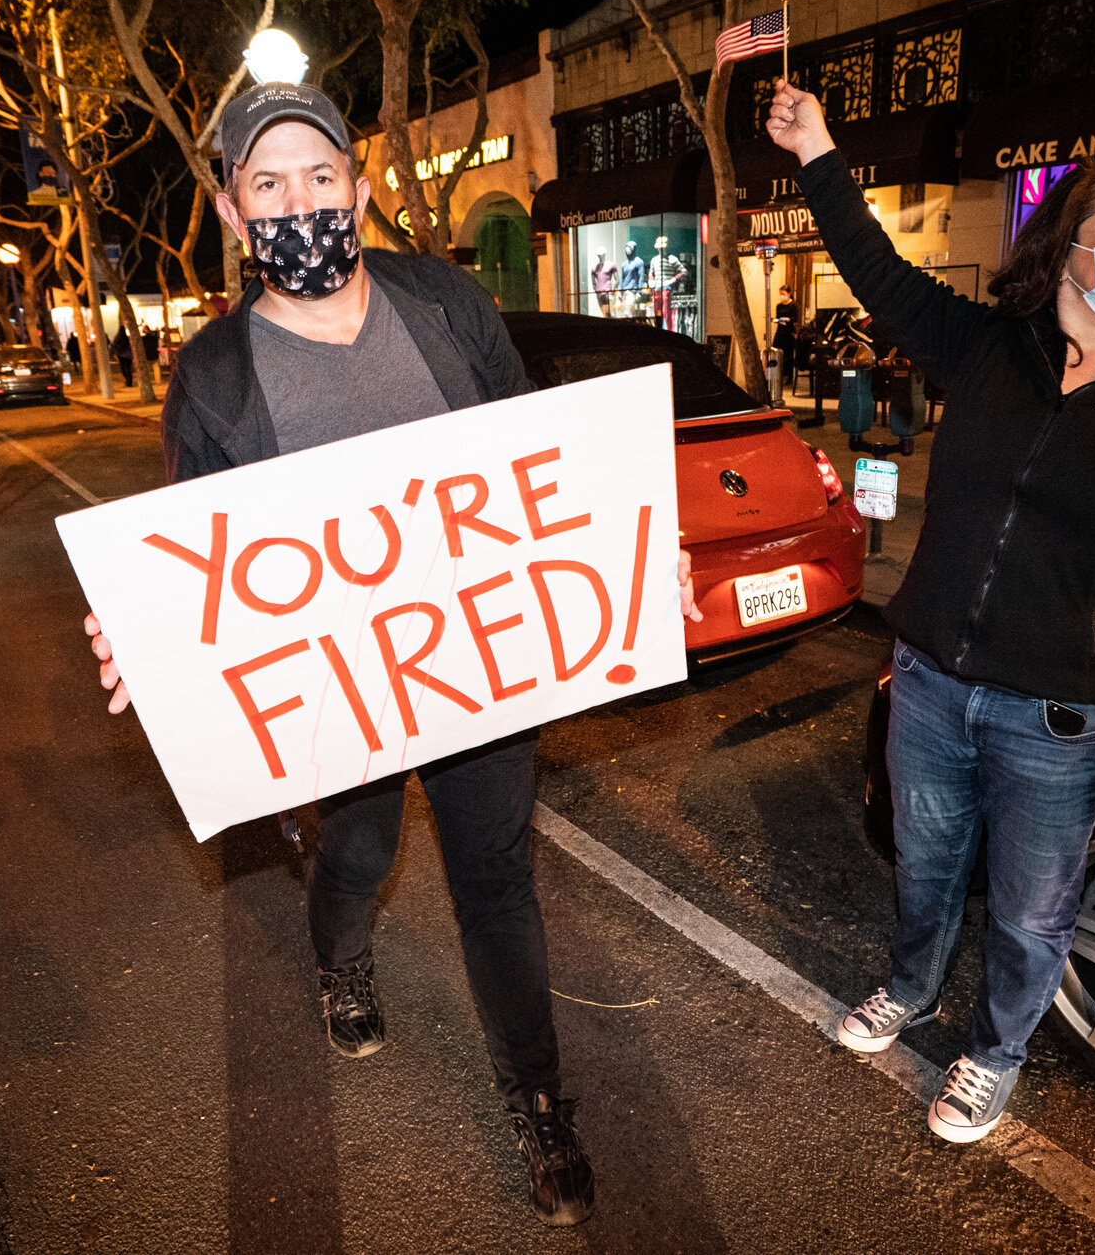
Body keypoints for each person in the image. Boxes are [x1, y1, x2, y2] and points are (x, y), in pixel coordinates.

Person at [79, 81, 700, 1228]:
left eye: (319, 175)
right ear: (232, 209)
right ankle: (342, 961)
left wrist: (627, 553)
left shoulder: (445, 302)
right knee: (354, 860)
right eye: (268, 184)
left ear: (358, 191)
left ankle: (538, 1098)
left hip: (479, 675)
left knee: (498, 887)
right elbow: (198, 546)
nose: (298, 200)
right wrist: (147, 632)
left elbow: (541, 461)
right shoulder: (214, 374)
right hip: (339, 700)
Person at [764, 81, 1095, 1144]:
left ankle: (993, 1053)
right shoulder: (991, 346)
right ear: (1070, 244)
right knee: (924, 866)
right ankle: (910, 987)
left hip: (1068, 718)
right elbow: (875, 271)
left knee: (1033, 913)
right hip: (935, 684)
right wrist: (815, 152)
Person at [773, 284, 800, 384]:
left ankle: (788, 377)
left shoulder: (793, 305)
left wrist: (788, 319)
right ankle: (778, 375)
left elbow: (795, 318)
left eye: (783, 294)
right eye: (780, 294)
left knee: (788, 355)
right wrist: (777, 320)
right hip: (780, 331)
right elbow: (777, 316)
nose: (782, 296)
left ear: (789, 294)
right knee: (776, 352)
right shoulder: (779, 306)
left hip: (789, 332)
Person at [619, 239, 645, 317]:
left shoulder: (639, 262)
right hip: (625, 292)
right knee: (630, 313)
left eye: (629, 248)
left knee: (628, 312)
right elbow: (622, 279)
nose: (628, 251)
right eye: (626, 249)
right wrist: (620, 292)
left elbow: (641, 277)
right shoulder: (624, 264)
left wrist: (639, 291)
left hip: (633, 291)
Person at [590, 249, 617, 316]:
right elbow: (593, 283)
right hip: (599, 293)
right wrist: (596, 291)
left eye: (601, 255)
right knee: (604, 313)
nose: (600, 256)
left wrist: (613, 291)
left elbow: (617, 280)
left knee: (610, 313)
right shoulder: (594, 268)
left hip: (608, 292)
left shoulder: (611, 265)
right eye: (598, 255)